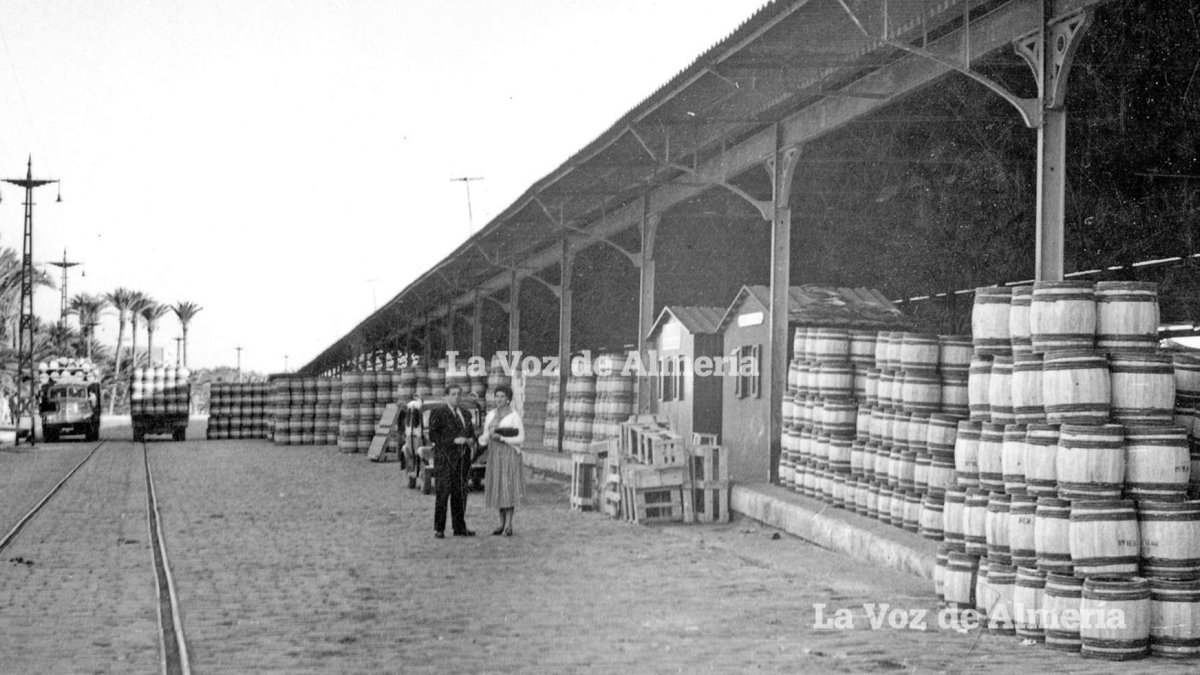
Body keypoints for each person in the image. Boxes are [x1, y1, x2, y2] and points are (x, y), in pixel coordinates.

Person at [428, 385, 475, 538]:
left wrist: (470, 440)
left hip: (462, 460)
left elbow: (471, 434)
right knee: (443, 493)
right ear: (446, 396)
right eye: (453, 394)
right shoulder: (438, 412)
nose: (457, 397)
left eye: (459, 394)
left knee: (460, 494)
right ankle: (439, 528)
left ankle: (459, 527)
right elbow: (433, 436)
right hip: (445, 460)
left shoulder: (466, 414)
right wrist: (454, 440)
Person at [478, 384, 526, 536]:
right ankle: (501, 523)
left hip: (509, 454)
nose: (499, 399)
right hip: (494, 455)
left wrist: (503, 438)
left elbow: (521, 438)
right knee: (498, 488)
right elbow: (485, 434)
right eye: (497, 396)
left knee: (508, 488)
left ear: (508, 399)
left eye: (502, 397)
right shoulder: (491, 415)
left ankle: (509, 524)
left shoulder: (514, 416)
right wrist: (483, 439)